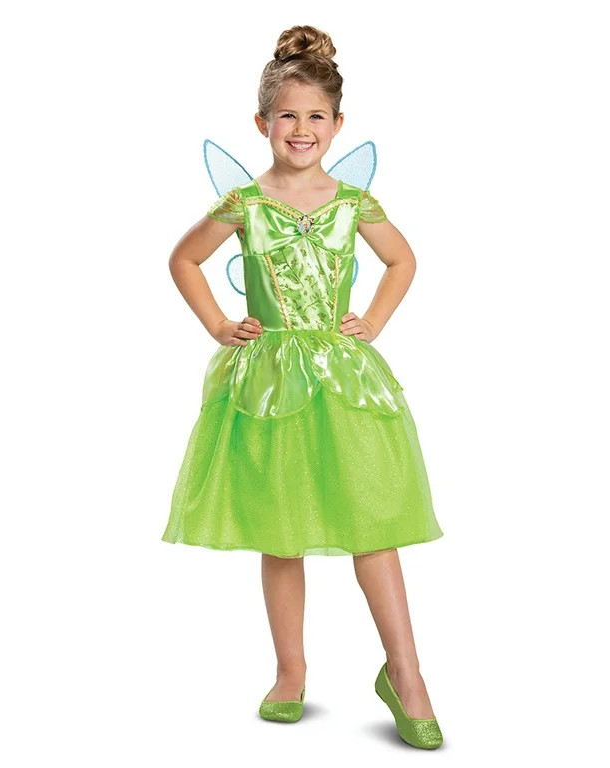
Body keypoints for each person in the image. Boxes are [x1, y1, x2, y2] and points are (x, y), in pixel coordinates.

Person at [161, 25, 445, 749]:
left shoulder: (353, 201)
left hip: (343, 380)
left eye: (316, 115)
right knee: (279, 529)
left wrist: (372, 321)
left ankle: (406, 674)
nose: (301, 128)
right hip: (269, 383)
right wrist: (219, 323)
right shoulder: (245, 203)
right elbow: (184, 260)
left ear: (338, 124)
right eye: (287, 114)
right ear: (262, 122)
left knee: (374, 524)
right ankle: (291, 671)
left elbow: (403, 261)